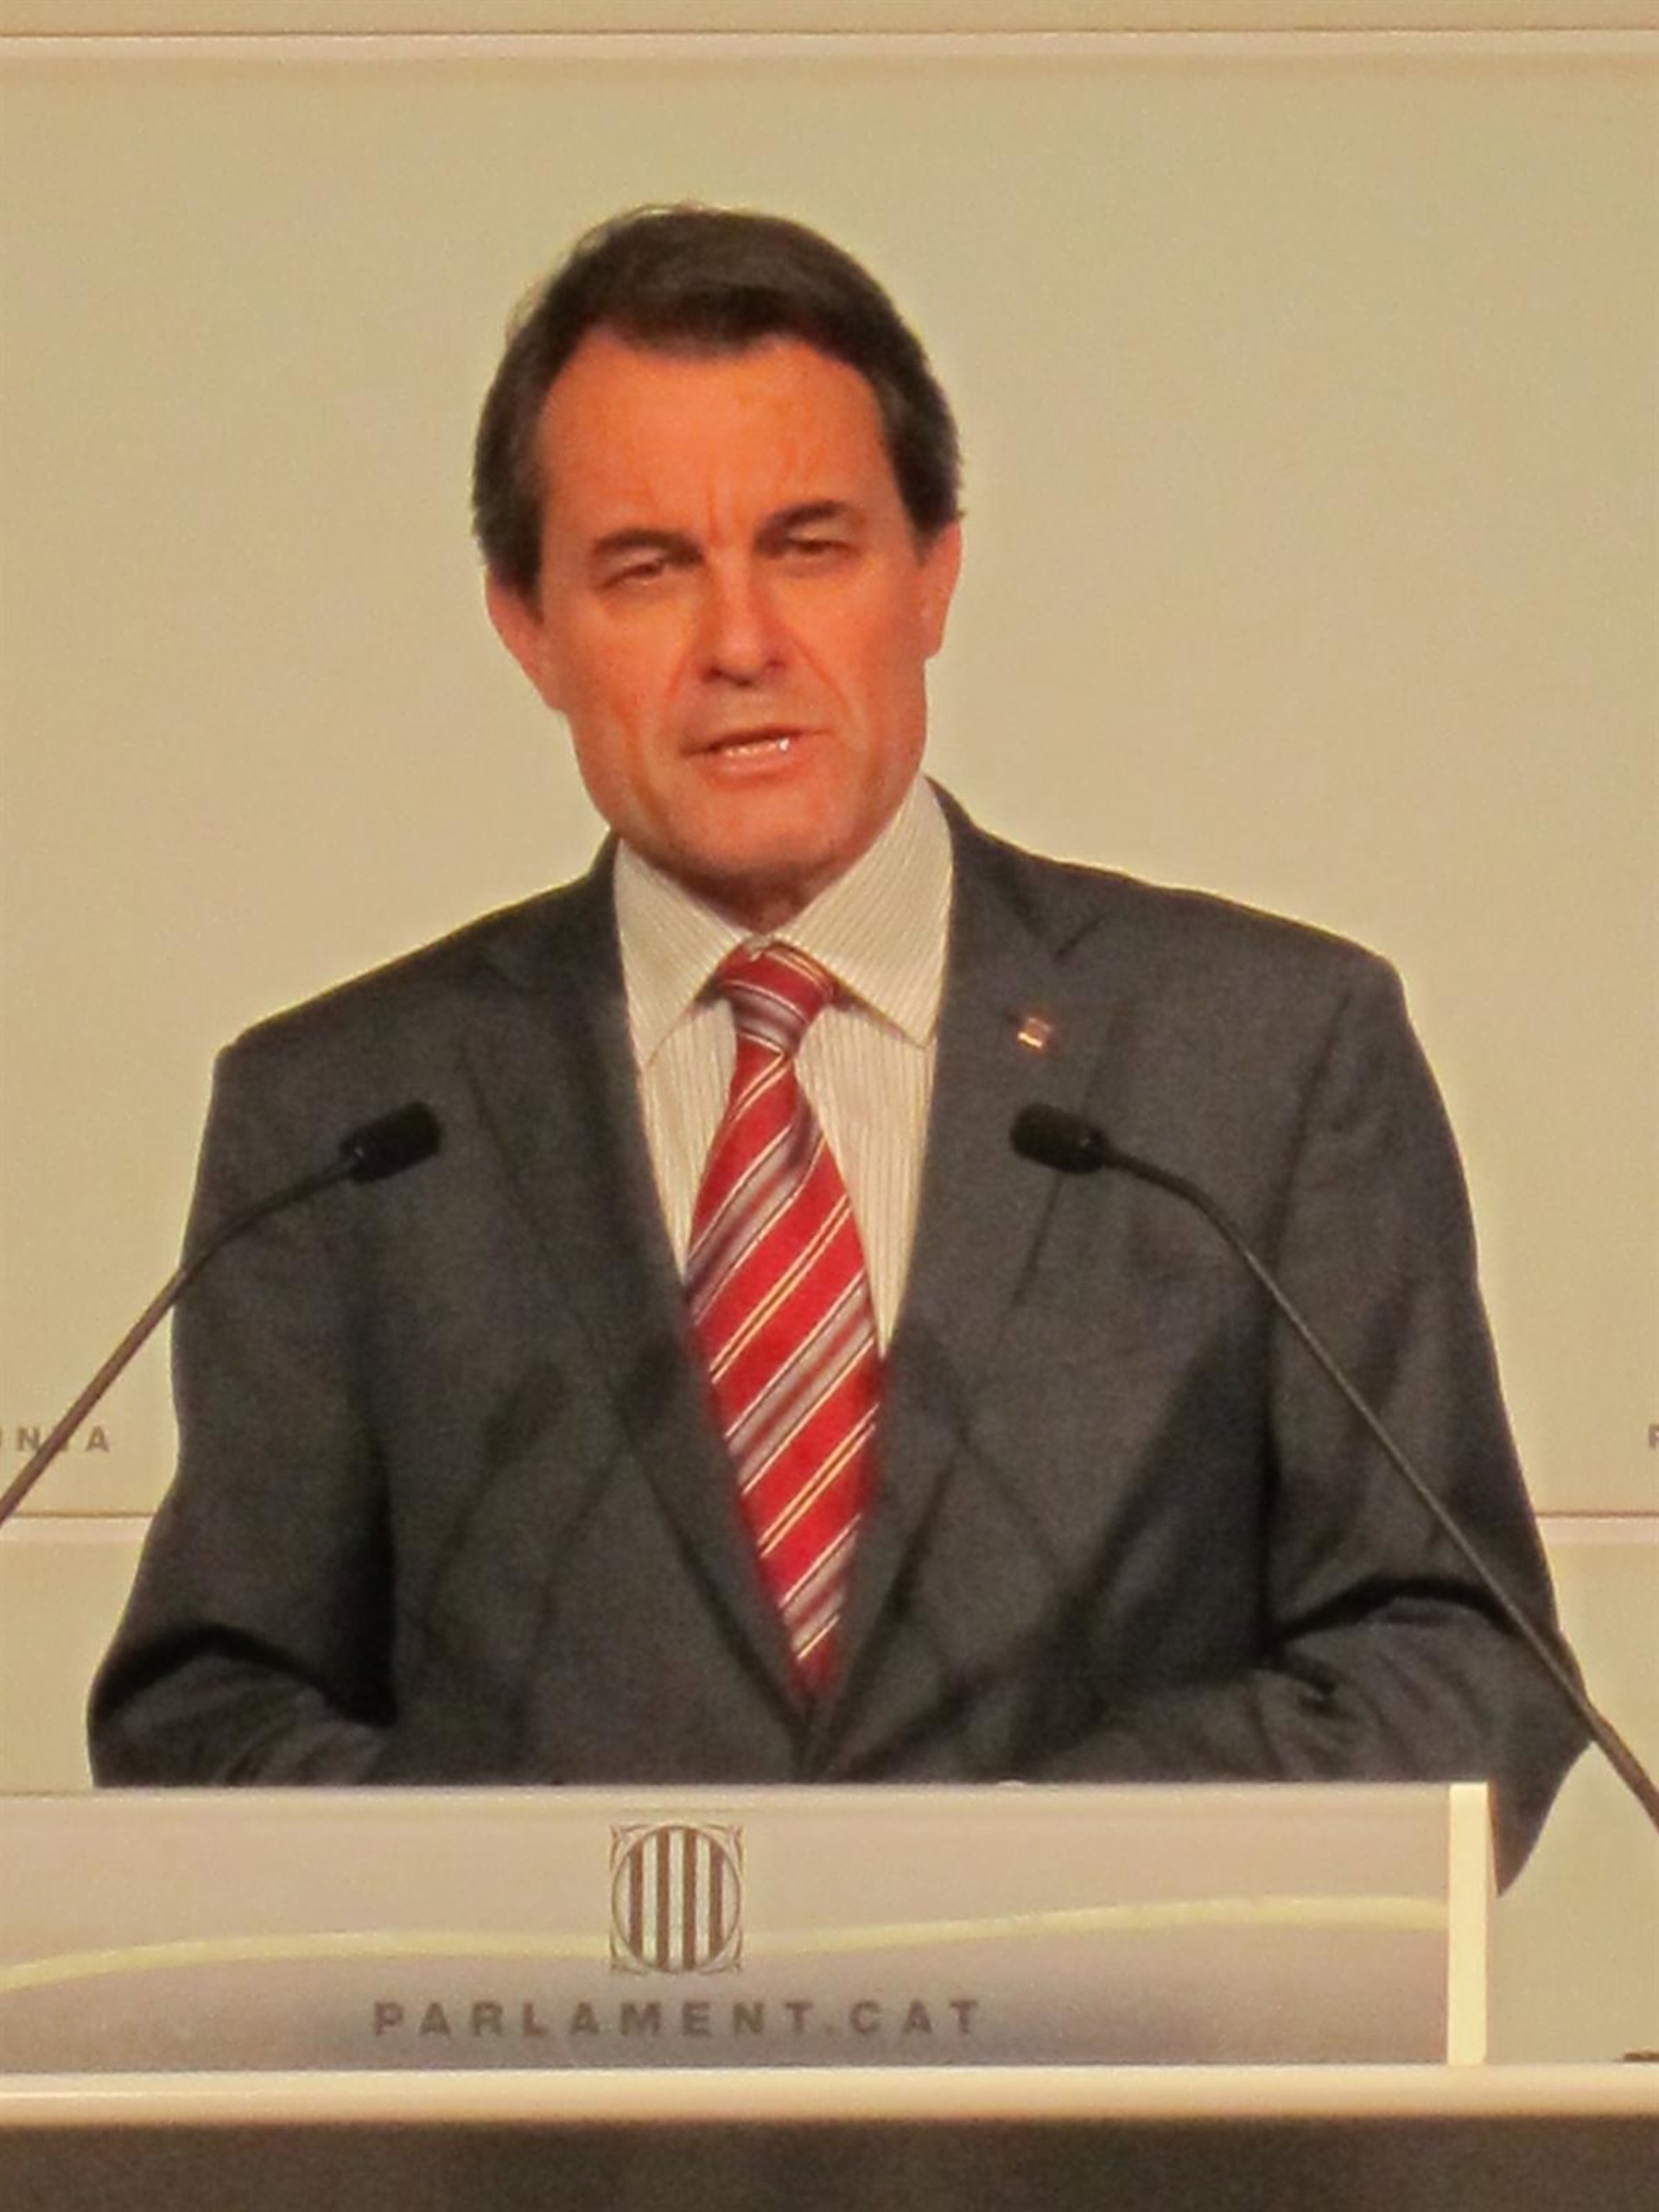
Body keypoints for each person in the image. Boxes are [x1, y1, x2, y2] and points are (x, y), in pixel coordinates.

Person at [89, 205, 1582, 1882]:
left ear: (934, 572)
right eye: (649, 568)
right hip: (558, 2057)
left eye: (810, 547)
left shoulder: (1263, 1057)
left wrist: (995, 1883)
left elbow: (1453, 1673)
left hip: (1109, 2053)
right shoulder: (351, 1121)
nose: (742, 644)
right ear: (527, 625)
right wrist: (588, 1907)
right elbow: (210, 1716)